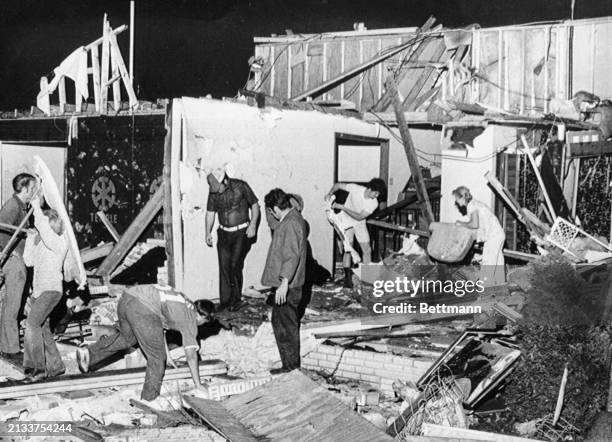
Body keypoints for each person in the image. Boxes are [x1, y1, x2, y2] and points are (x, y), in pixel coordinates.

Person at [76, 284, 212, 406]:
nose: (201, 325)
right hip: (144, 308)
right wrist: (198, 385)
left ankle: (89, 353)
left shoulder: (184, 301)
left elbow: (159, 329)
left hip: (127, 298)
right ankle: (149, 400)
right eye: (204, 323)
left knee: (128, 338)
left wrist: (168, 356)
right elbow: (191, 356)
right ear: (202, 317)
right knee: (157, 359)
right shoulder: (190, 319)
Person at [22, 198, 68, 381]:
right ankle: (56, 366)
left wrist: (35, 206)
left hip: (52, 289)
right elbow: (28, 261)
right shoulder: (42, 242)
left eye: (43, 225)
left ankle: (36, 370)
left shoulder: (59, 242)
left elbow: (43, 227)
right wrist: (30, 239)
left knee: (31, 324)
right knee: (43, 328)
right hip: (39, 292)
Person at [262, 189, 307, 374]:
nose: (271, 214)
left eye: (271, 210)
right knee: (281, 323)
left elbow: (291, 256)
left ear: (275, 208)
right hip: (288, 285)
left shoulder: (290, 224)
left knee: (286, 327)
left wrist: (284, 283)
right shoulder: (292, 218)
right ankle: (289, 365)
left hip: (288, 286)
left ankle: (291, 368)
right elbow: (273, 223)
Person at [205, 170, 260, 312]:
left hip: (241, 233)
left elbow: (255, 205)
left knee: (234, 265)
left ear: (225, 181)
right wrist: (207, 232)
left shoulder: (240, 186)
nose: (218, 193)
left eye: (219, 189)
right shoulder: (213, 192)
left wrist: (253, 225)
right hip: (223, 233)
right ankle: (225, 302)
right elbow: (210, 213)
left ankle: (236, 301)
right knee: (224, 266)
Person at [0, 173, 37, 360]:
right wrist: (12, 253)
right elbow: (1, 229)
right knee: (12, 306)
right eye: (33, 188)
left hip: (20, 260)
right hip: (13, 262)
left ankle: (7, 344)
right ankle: (10, 349)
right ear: (25, 188)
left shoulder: (24, 208)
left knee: (16, 305)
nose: (34, 191)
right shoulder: (12, 206)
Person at [324, 178, 386, 288]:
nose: (376, 196)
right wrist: (329, 193)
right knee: (348, 249)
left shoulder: (374, 203)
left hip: (359, 222)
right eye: (376, 193)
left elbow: (359, 217)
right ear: (370, 189)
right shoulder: (356, 189)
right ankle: (347, 279)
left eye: (378, 194)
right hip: (346, 221)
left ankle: (367, 277)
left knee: (367, 249)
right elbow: (338, 185)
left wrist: (343, 207)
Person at [452, 186, 506, 286]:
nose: (456, 202)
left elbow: (474, 224)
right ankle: (500, 286)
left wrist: (460, 223)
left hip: (493, 236)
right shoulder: (475, 203)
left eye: (456, 199)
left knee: (488, 263)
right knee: (497, 262)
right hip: (499, 234)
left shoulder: (471, 206)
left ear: (462, 197)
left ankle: (485, 289)